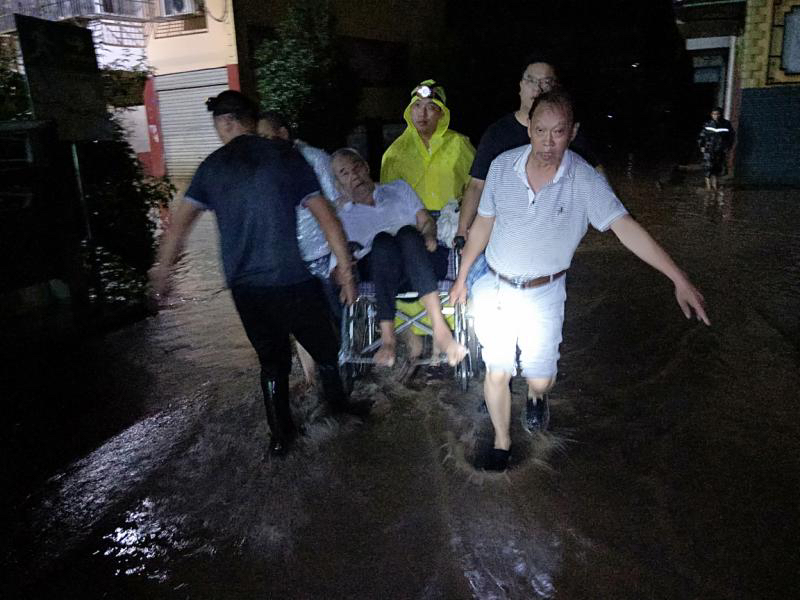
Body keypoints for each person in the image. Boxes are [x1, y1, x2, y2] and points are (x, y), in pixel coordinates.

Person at [450, 89, 710, 472]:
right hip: (496, 286)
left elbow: (626, 228)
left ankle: (537, 396)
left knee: (540, 379)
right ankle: (502, 441)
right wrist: (461, 279)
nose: (547, 142)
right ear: (529, 129)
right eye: (540, 131)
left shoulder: (585, 180)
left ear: (572, 132)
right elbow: (483, 225)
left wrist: (678, 278)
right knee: (497, 369)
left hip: (545, 292)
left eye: (558, 132)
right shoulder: (503, 167)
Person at [149, 90, 365, 457]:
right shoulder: (286, 156)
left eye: (218, 124)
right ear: (250, 120)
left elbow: (178, 228)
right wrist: (345, 269)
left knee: (272, 363)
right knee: (327, 350)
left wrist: (161, 272)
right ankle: (340, 414)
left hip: (244, 288)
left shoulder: (211, 167)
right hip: (290, 279)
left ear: (226, 123)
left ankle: (281, 439)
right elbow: (326, 217)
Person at [456, 56, 603, 425]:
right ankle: (499, 388)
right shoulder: (497, 135)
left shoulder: (569, 134)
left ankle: (536, 396)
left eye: (547, 82)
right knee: (491, 332)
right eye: (532, 80)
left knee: (540, 344)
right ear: (520, 86)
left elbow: (598, 180)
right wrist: (462, 232)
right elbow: (476, 187)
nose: (539, 87)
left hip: (544, 260)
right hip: (495, 253)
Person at [331, 148, 466, 368]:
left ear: (366, 167)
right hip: (379, 272)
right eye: (344, 173)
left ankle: (440, 330)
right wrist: (344, 277)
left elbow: (426, 221)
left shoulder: (398, 189)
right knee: (383, 241)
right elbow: (336, 263)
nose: (354, 175)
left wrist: (429, 234)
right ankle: (388, 339)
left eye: (356, 167)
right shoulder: (339, 215)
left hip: (420, 262)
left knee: (407, 233)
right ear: (338, 184)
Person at [380, 79, 475, 366]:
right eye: (417, 106)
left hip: (449, 226)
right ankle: (414, 340)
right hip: (409, 229)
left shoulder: (460, 145)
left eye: (430, 107)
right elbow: (386, 200)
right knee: (403, 251)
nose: (422, 113)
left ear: (441, 113)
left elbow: (475, 188)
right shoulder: (394, 153)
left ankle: (441, 341)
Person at [257, 111, 339, 388]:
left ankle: (344, 371)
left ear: (283, 133)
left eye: (267, 136)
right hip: (290, 261)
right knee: (300, 322)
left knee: (335, 316)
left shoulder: (315, 159)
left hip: (323, 254)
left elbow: (335, 205)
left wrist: (341, 257)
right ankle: (311, 379)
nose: (263, 143)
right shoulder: (264, 166)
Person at [697, 106, 735, 191]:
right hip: (709, 149)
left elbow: (731, 137)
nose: (716, 116)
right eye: (714, 114)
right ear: (711, 115)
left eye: (718, 114)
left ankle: (714, 186)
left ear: (721, 114)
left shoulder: (726, 124)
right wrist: (702, 146)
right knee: (708, 166)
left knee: (717, 167)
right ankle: (708, 186)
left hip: (720, 149)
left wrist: (728, 146)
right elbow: (702, 136)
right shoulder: (708, 124)